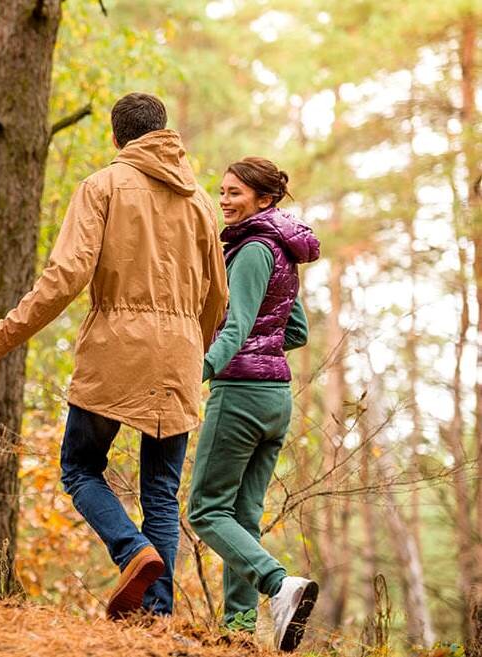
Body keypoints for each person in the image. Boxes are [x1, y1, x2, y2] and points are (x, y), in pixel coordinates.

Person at [0, 92, 228, 619]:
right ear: (165, 133)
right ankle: (154, 616)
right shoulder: (203, 202)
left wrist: (2, 334)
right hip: (181, 358)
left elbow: (66, 277)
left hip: (117, 350)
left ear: (117, 138)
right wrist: (192, 348)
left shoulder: (102, 187)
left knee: (79, 467)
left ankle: (130, 549)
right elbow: (218, 299)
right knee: (160, 491)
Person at [186, 157, 321, 652]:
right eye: (221, 191)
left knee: (204, 510)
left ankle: (278, 584)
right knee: (242, 516)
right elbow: (297, 331)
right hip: (276, 400)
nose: (224, 201)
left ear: (264, 200)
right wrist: (263, 350)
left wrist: (198, 369)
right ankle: (239, 631)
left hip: (240, 394)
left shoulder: (250, 250)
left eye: (235, 193)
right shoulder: (283, 252)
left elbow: (237, 325)